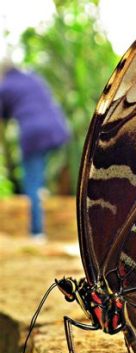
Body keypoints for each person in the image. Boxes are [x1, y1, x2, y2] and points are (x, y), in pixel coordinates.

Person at [0, 59, 70, 239]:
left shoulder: (5, 87)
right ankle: (41, 189)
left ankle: (37, 232)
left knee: (31, 181)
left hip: (33, 133)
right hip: (57, 130)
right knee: (38, 174)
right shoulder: (33, 78)